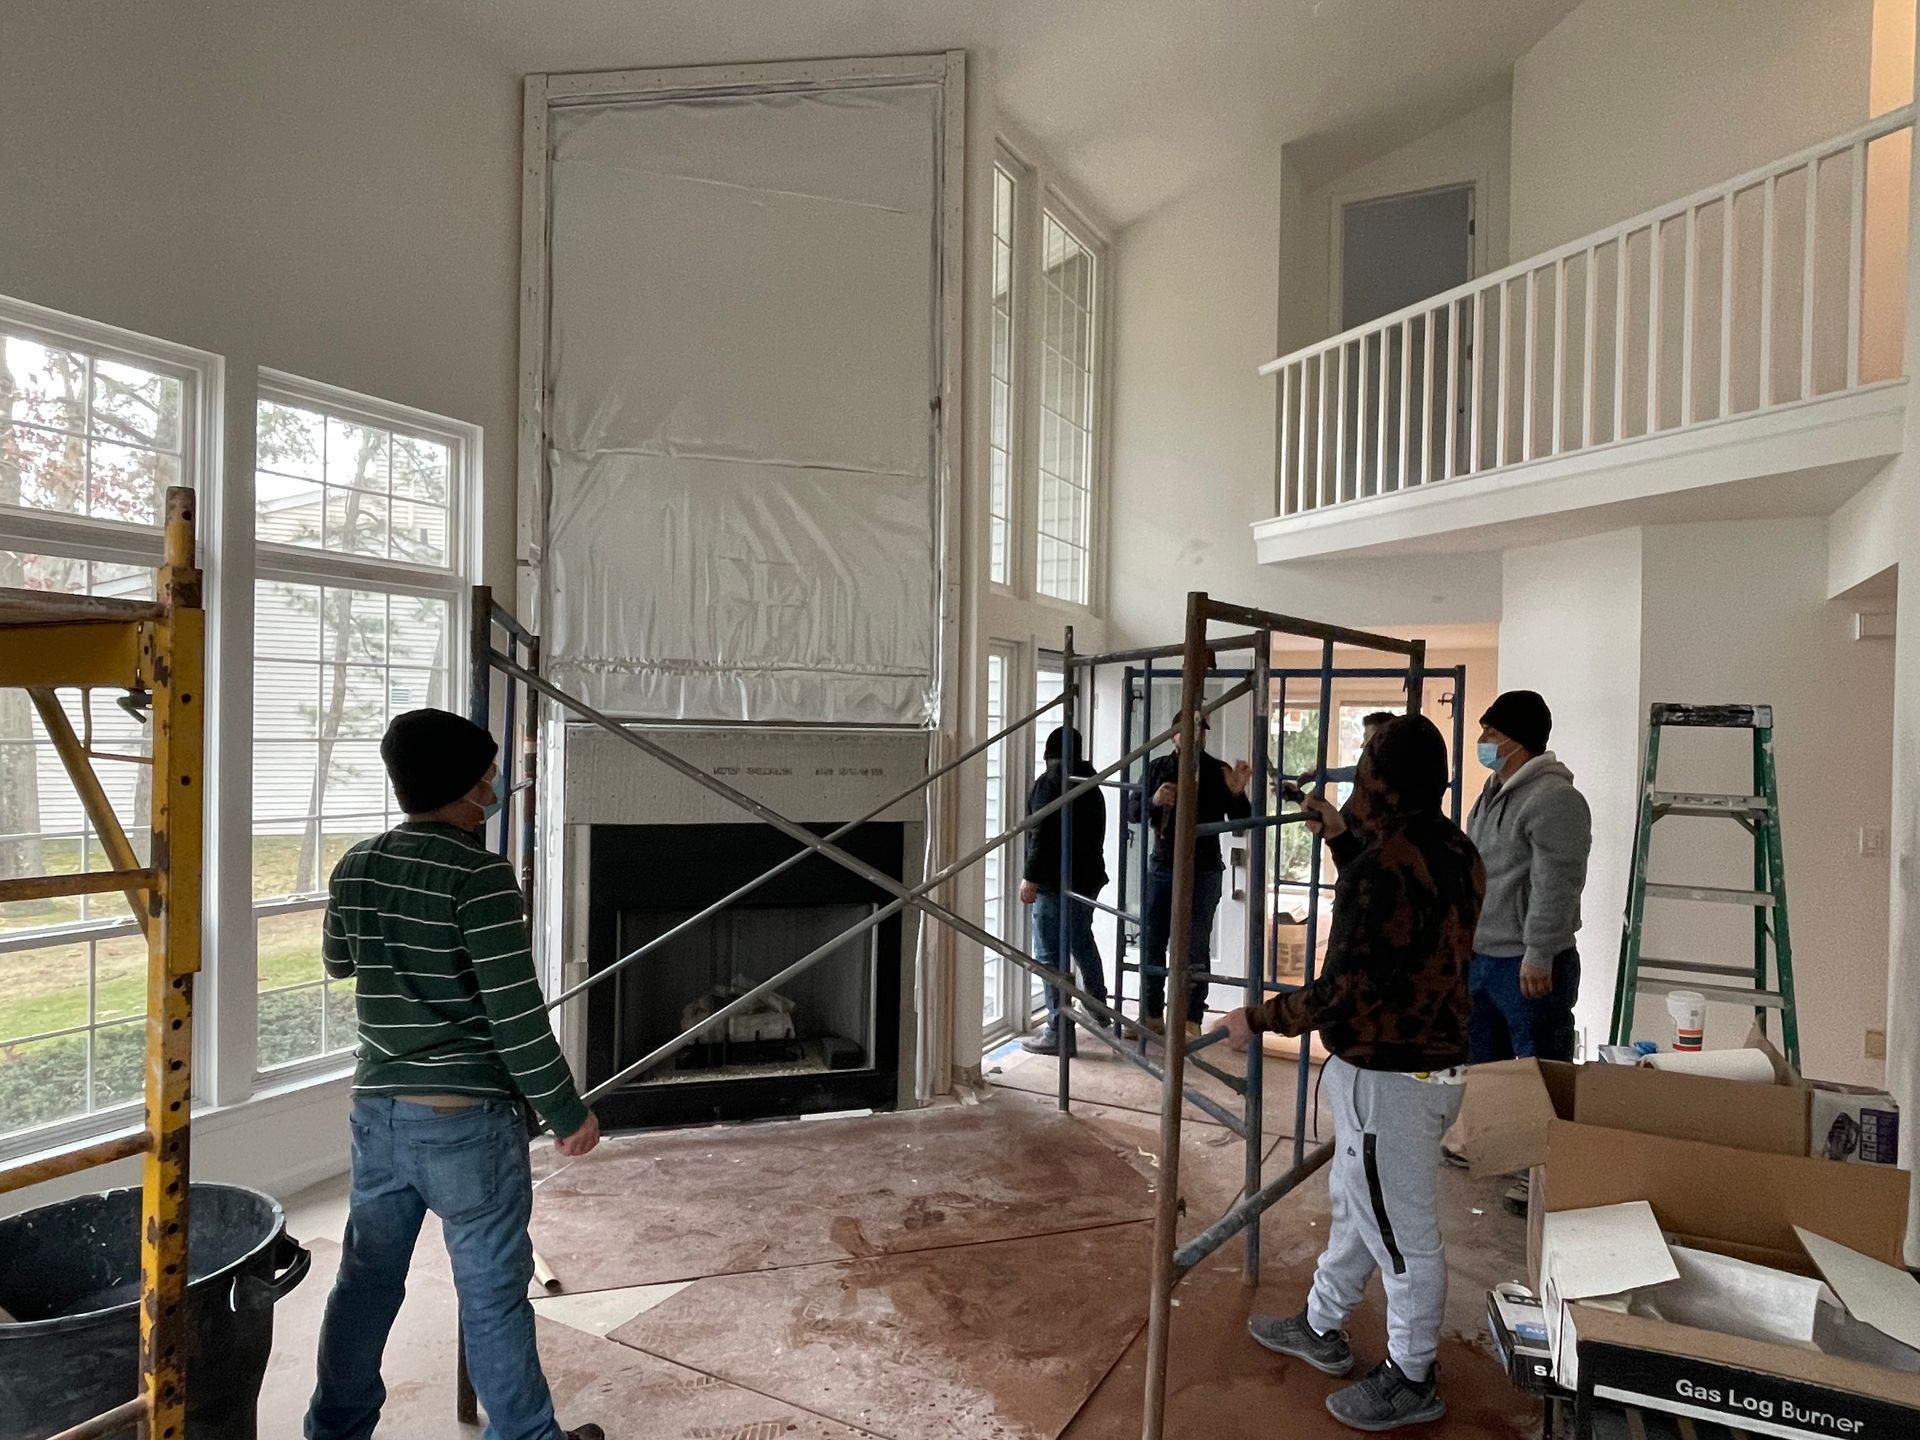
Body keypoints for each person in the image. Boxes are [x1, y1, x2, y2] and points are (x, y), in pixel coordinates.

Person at [305, 709, 605, 1440]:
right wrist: (568, 1114)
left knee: (365, 1282)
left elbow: (340, 962)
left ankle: (334, 1431)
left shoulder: (356, 865)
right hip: (464, 1124)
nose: (494, 784)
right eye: (487, 773)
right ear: (461, 784)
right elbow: (516, 1016)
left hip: (377, 1116)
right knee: (493, 1296)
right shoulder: (481, 878)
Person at [1214, 715, 1484, 1433]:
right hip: (1432, 1063)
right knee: (1364, 1209)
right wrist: (1339, 836)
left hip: (1390, 1075)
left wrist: (1257, 1020)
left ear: (1383, 779)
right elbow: (1397, 911)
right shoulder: (1453, 847)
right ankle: (1321, 1322)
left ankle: (1412, 1375)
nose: (1358, 772)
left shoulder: (1383, 867)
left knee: (1403, 1236)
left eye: (1367, 761)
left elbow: (1343, 989)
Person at [1463, 689, 1591, 1214]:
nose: (1483, 742)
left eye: (1490, 734)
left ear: (1516, 740)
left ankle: (1547, 1169)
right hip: (1485, 957)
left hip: (1529, 963)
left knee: (1539, 1063)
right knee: (1490, 1067)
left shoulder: (1554, 799)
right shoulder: (1494, 791)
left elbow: (1556, 884)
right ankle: (1506, 1155)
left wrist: (1539, 953)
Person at [1128, 710, 1252, 1036]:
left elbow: (1241, 824)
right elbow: (1132, 812)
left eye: (1201, 730)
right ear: (1173, 735)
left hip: (1205, 869)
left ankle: (1190, 1020)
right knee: (1153, 942)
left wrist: (1238, 792)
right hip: (1163, 866)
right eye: (1187, 730)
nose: (1195, 736)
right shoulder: (1157, 768)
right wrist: (1155, 800)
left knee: (1195, 947)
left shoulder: (1218, 771)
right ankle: (1152, 1015)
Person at [1018, 725, 1109, 1056]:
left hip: (1055, 883)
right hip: (1087, 880)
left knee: (1049, 957)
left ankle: (1058, 1030)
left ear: (1049, 754)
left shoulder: (1050, 783)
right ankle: (1099, 1007)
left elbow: (1042, 832)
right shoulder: (1092, 782)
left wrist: (1030, 877)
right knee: (1080, 941)